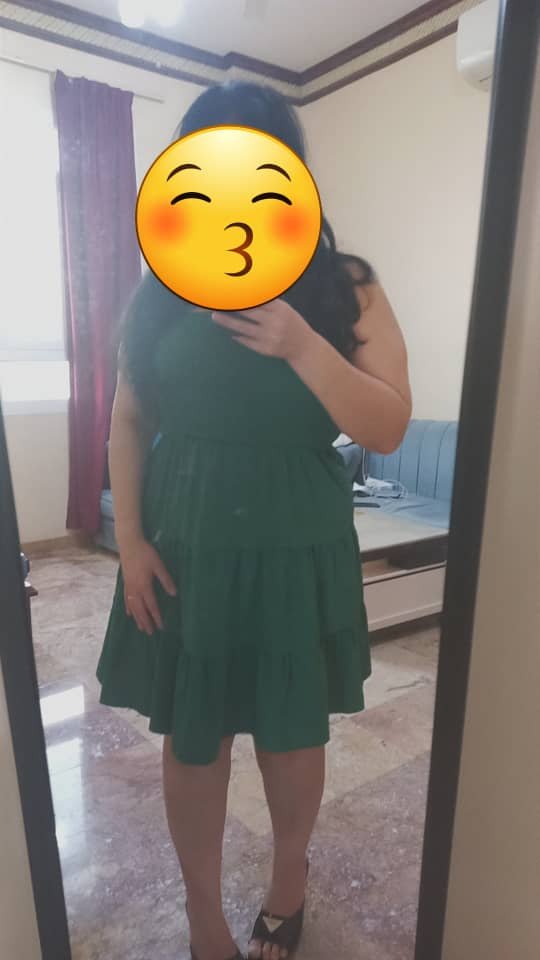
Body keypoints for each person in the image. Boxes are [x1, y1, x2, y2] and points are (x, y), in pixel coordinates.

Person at [97, 81, 412, 960]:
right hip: (185, 539)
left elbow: (387, 425)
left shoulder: (345, 285)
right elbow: (128, 417)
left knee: (288, 726)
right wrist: (129, 543)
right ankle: (203, 915)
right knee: (193, 736)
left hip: (294, 538)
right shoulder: (163, 285)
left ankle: (288, 881)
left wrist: (301, 343)